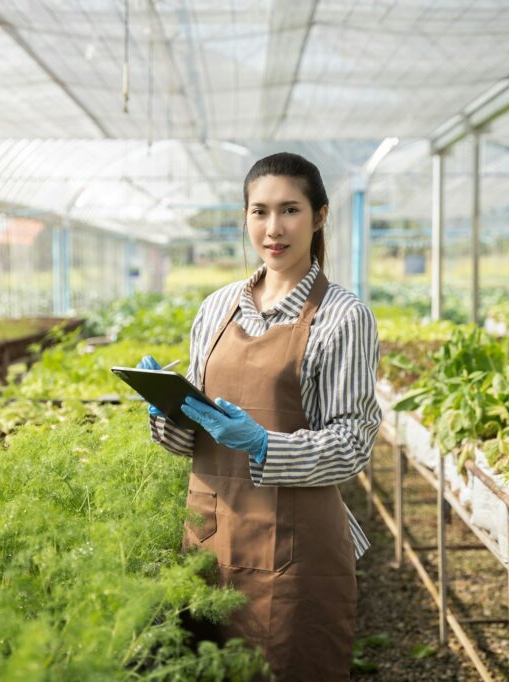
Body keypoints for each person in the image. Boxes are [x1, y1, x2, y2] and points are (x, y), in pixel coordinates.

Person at [138, 152, 382, 680]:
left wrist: (265, 444)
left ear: (319, 216)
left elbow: (353, 443)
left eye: (290, 210)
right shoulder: (217, 307)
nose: (274, 229)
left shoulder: (344, 316)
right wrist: (169, 413)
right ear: (245, 217)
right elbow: (193, 440)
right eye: (260, 211)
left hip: (295, 553)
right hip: (209, 541)